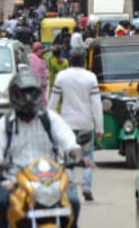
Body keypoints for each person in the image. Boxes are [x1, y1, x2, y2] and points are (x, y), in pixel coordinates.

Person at [0, 73, 85, 228]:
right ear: (13, 95)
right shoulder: (4, 124)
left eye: (32, 93)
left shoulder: (51, 119)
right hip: (14, 180)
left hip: (51, 181)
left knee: (73, 201)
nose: (28, 99)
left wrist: (77, 154)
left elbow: (69, 141)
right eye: (22, 94)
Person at [48, 47, 103, 201]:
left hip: (67, 125)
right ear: (84, 60)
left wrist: (48, 122)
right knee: (87, 156)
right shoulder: (91, 78)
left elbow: (53, 101)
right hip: (86, 124)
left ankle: (71, 188)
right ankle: (86, 186)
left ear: (70, 60)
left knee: (69, 159)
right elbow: (96, 105)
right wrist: (99, 127)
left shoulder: (61, 77)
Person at [29, 42, 50, 106]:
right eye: (39, 48)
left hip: (42, 83)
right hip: (36, 83)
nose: (40, 50)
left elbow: (46, 67)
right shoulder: (32, 56)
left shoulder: (42, 58)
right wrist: (48, 49)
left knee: (42, 99)